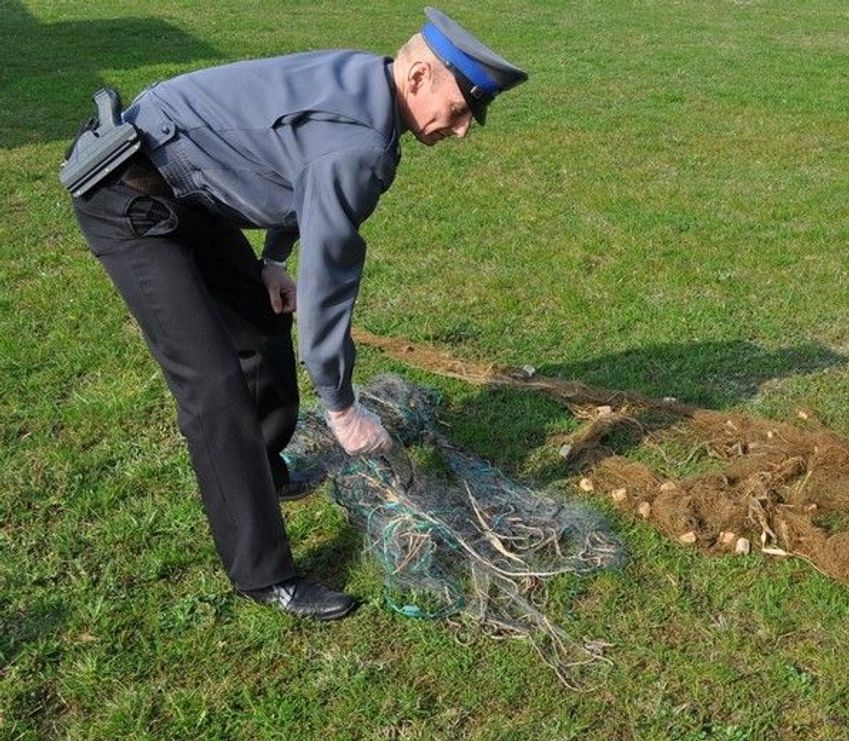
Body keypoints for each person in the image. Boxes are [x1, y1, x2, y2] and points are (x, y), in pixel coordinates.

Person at [67, 8, 527, 620]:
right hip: (126, 190)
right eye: (463, 107)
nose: (463, 129)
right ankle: (263, 574)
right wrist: (341, 407)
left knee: (260, 321)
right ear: (419, 76)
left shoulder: (367, 80)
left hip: (186, 185)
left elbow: (286, 163)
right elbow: (331, 283)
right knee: (211, 385)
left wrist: (273, 259)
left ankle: (265, 468)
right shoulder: (363, 143)